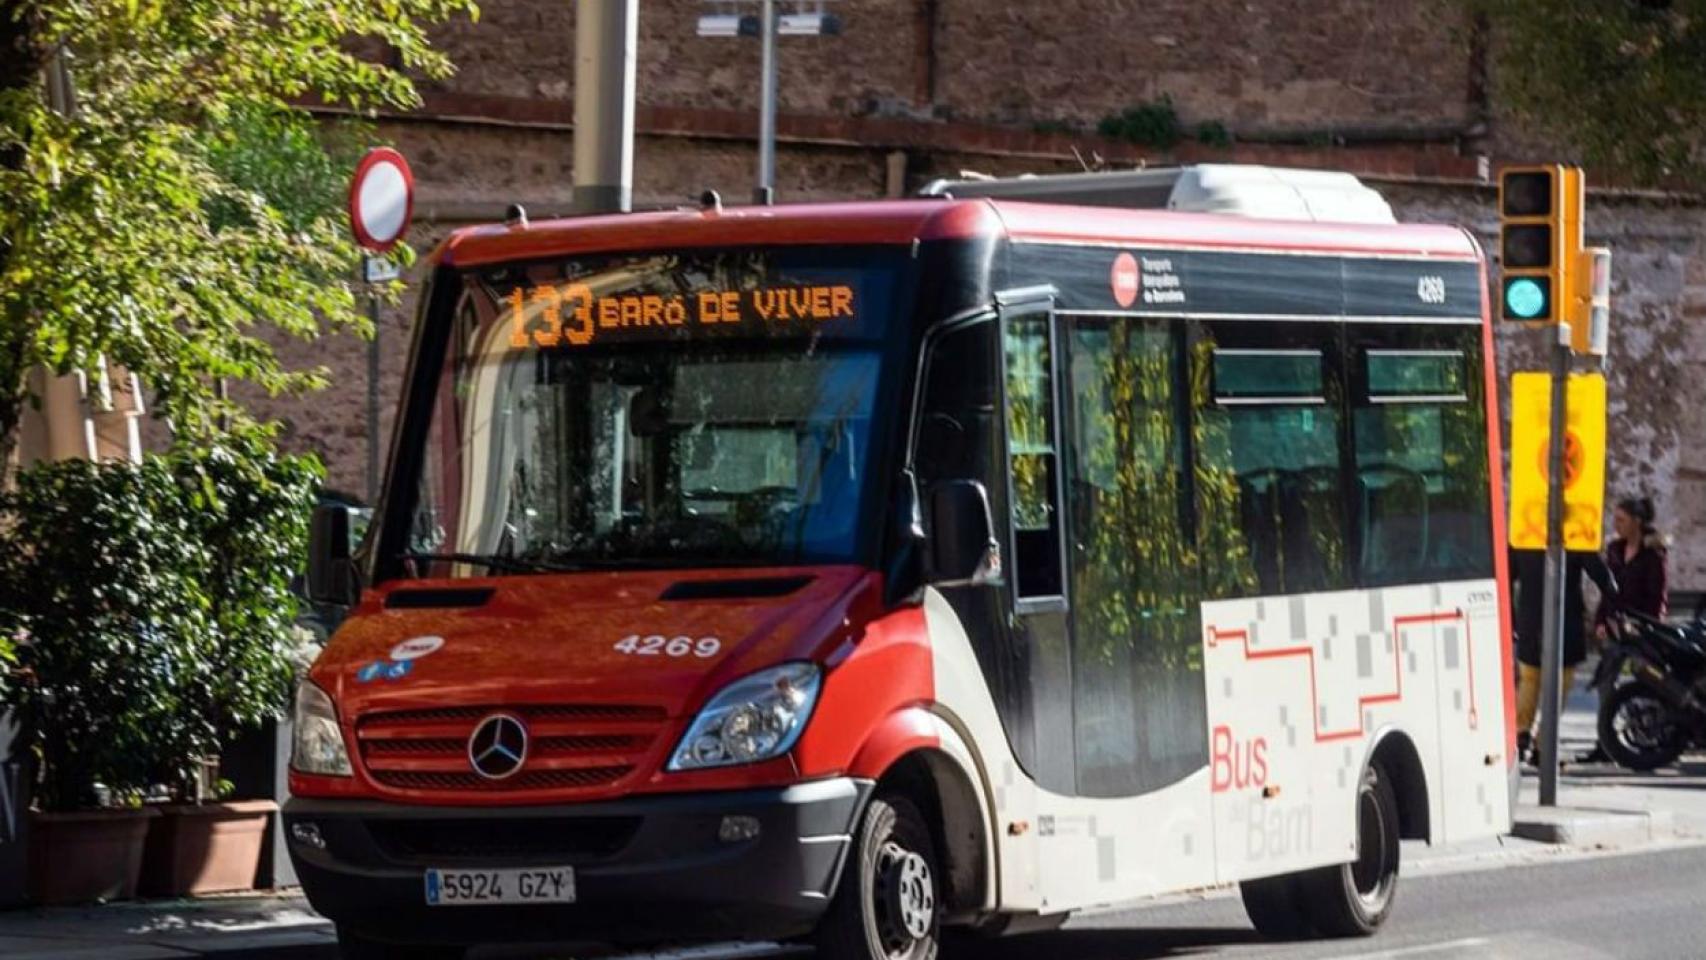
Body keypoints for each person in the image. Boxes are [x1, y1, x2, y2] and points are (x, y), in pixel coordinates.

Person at [1580, 497, 1669, 762]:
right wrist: (1600, 622)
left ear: (1637, 522)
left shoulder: (1654, 554)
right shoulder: (1615, 550)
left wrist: (1646, 626)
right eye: (1615, 519)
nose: (1615, 525)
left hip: (1642, 629)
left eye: (1621, 520)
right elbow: (1607, 591)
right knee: (1605, 682)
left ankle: (1649, 736)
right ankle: (1606, 743)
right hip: (1615, 627)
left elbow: (1658, 597)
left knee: (1647, 681)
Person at [1509, 547, 1612, 765]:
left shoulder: (1525, 534)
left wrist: (1510, 616)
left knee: (1530, 679)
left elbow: (1506, 573)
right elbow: (1601, 575)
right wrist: (1613, 593)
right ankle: (1543, 743)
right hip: (1565, 620)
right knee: (1560, 684)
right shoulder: (1573, 537)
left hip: (1531, 618)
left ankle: (1522, 732)